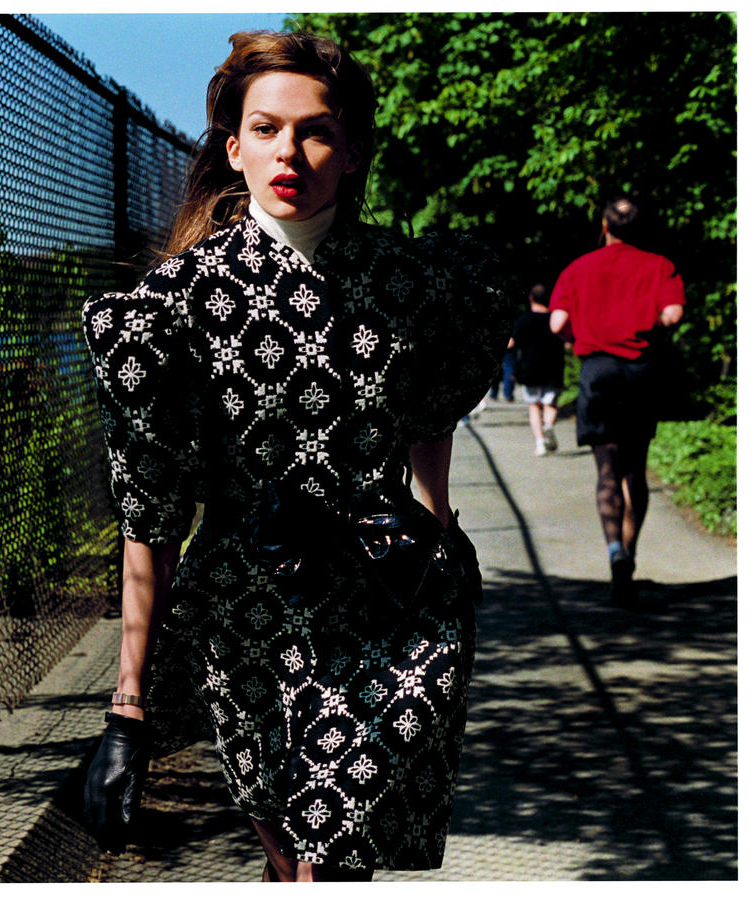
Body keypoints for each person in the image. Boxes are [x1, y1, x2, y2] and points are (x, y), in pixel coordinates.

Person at [80, 30, 517, 882]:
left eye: (316, 131)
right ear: (233, 148)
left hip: (388, 603)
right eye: (266, 129)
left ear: (351, 152)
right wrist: (126, 709)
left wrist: (440, 521)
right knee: (295, 855)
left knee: (334, 853)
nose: (289, 152)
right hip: (243, 615)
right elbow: (150, 512)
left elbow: (430, 414)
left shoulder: (417, 282)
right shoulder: (171, 308)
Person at [548, 196, 684, 605]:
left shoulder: (578, 268)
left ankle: (614, 554)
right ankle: (630, 551)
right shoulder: (659, 266)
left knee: (607, 470)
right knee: (635, 469)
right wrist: (650, 327)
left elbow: (557, 323)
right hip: (640, 372)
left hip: (598, 372)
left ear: (604, 227)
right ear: (638, 229)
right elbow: (673, 314)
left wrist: (579, 337)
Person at [510, 283, 564, 455]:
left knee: (534, 406)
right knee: (550, 404)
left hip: (529, 369)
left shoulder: (523, 320)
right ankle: (548, 425)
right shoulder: (555, 319)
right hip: (553, 368)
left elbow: (511, 343)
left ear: (531, 298)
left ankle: (540, 443)